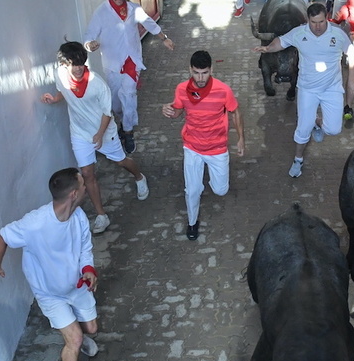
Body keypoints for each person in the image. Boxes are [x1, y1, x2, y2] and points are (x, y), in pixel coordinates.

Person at [0, 168, 101, 361]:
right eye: (83, 185)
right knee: (75, 339)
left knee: (91, 329)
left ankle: (77, 335)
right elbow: (1, 237)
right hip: (50, 293)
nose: (88, 187)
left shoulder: (78, 216)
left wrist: (88, 269)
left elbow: (85, 246)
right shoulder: (35, 223)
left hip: (76, 286)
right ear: (74, 193)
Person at [42, 41, 149, 235]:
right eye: (73, 65)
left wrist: (99, 136)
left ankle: (139, 177)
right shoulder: (60, 75)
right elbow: (62, 91)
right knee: (87, 174)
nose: (77, 68)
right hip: (80, 133)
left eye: (81, 63)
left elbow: (107, 113)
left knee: (121, 161)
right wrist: (55, 99)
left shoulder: (97, 85)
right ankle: (102, 215)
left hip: (104, 132)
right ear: (64, 65)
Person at [253, 2, 354, 178]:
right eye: (313, 22)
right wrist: (267, 48)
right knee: (302, 130)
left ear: (326, 18)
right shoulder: (299, 32)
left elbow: (352, 53)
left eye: (321, 22)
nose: (318, 27)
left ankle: (318, 123)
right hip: (307, 90)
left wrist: (353, 78)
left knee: (333, 129)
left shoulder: (338, 34)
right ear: (308, 20)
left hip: (331, 89)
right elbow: (281, 41)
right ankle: (298, 160)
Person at [162, 50, 244, 241]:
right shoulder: (181, 89)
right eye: (196, 72)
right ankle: (192, 222)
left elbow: (236, 112)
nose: (200, 78)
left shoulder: (223, 90)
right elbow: (177, 112)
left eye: (204, 72)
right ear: (190, 70)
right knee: (192, 190)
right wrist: (167, 110)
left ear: (211, 70)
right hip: (192, 146)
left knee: (220, 190)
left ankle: (205, 179)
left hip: (217, 148)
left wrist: (241, 138)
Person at [84, 0, 175, 155]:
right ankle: (123, 122)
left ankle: (128, 131)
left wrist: (164, 38)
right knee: (116, 102)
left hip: (132, 61)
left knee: (129, 95)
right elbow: (89, 35)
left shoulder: (134, 9)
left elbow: (149, 23)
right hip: (112, 64)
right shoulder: (102, 11)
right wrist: (89, 45)